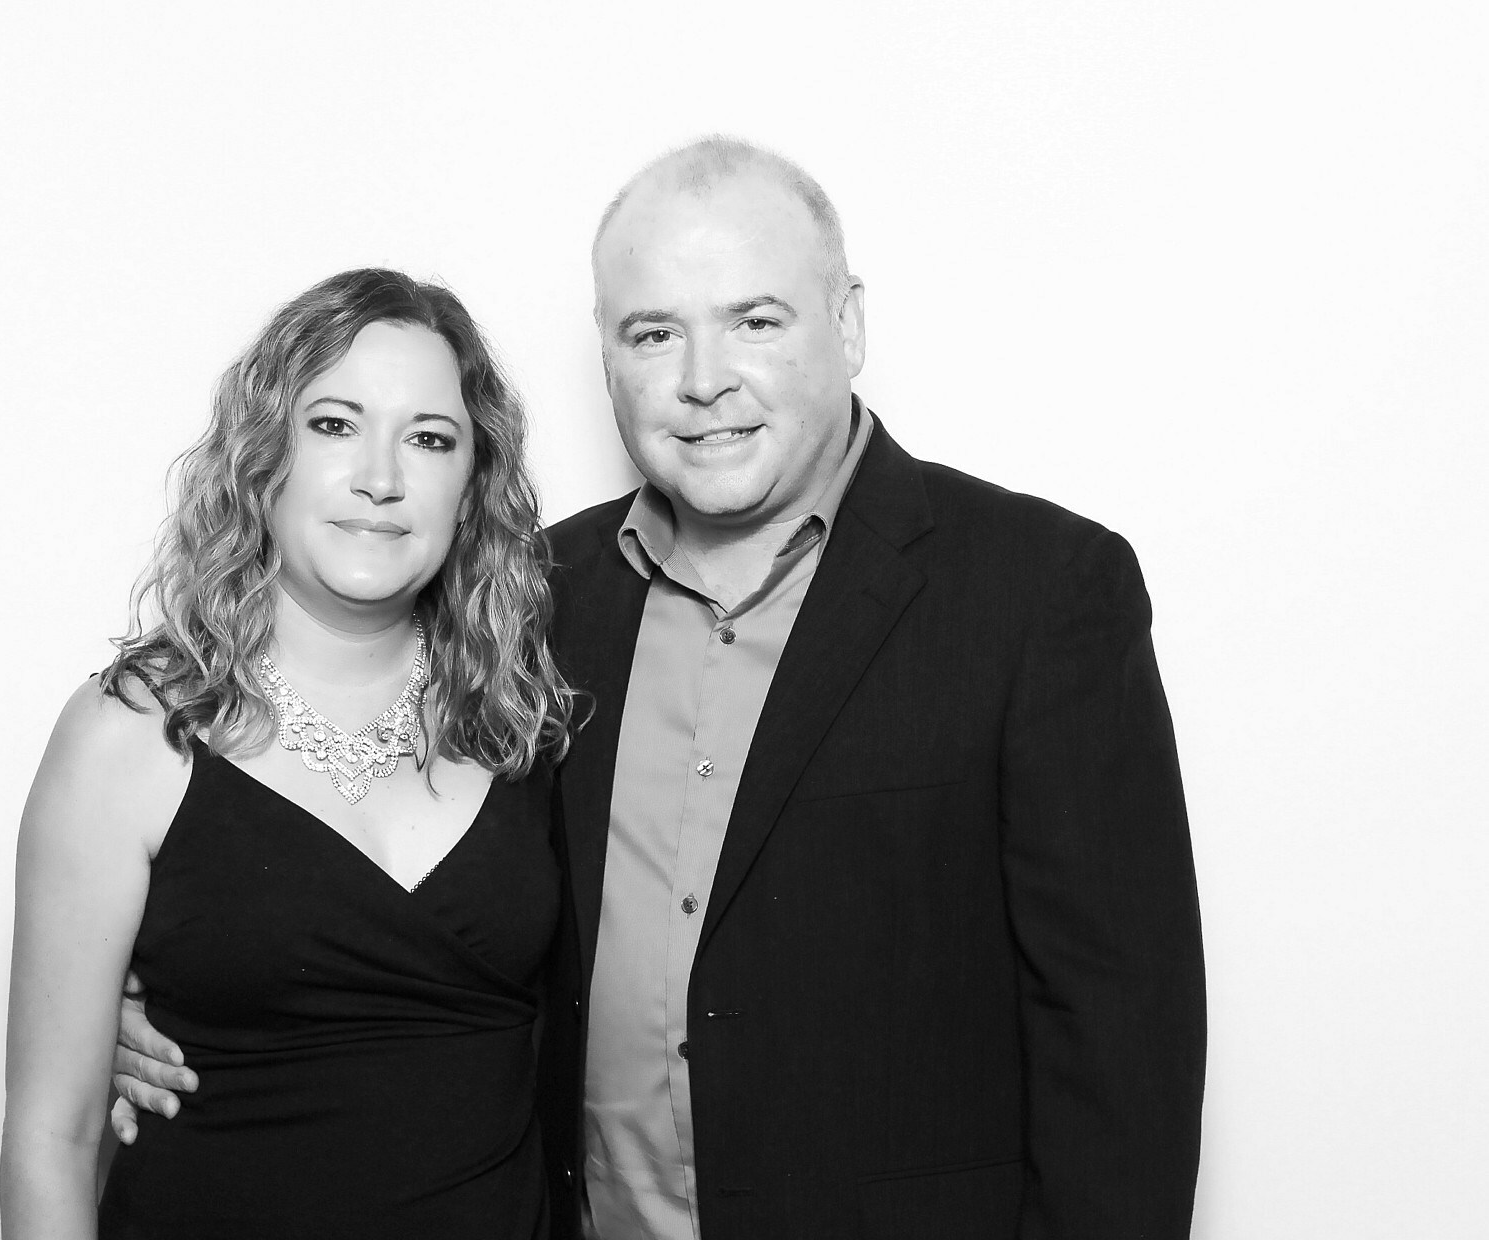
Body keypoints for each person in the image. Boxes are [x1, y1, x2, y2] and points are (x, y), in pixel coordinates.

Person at [114, 138, 1208, 1239]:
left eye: (755, 321)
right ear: (606, 355)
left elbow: (1123, 1040)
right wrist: (164, 998)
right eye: (652, 334)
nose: (701, 380)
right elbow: (417, 904)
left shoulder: (1038, 593)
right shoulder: (531, 600)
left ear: (848, 325)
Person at [0, 268, 576, 1239]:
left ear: (472, 484)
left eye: (429, 439)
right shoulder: (128, 736)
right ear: (264, 453)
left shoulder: (526, 715)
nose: (381, 477)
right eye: (335, 425)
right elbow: (49, 1139)